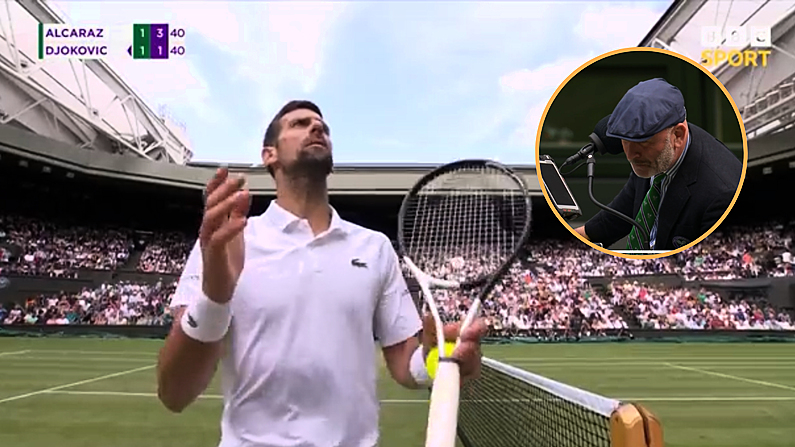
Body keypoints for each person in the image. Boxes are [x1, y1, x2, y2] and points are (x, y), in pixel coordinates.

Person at [156, 100, 487, 447]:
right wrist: (215, 298)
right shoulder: (227, 241)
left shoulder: (373, 247)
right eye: (299, 124)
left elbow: (407, 364)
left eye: (322, 126)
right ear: (269, 154)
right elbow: (174, 394)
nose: (317, 128)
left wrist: (442, 362)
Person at [574, 78, 742, 251]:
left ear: (677, 135)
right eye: (625, 141)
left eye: (644, 142)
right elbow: (621, 213)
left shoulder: (722, 195)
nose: (631, 155)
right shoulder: (651, 156)